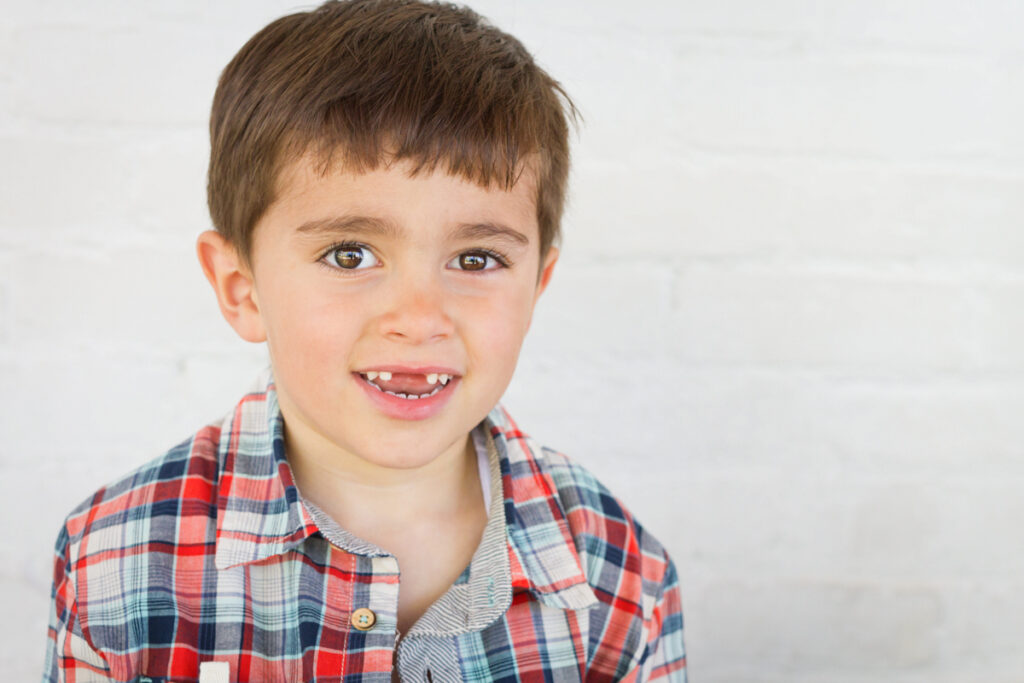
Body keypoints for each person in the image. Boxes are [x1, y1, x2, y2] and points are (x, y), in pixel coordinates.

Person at [41, 1, 686, 680]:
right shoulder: (113, 561)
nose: (420, 317)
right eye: (349, 255)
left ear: (536, 288)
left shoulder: (623, 574)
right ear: (242, 287)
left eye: (476, 260)